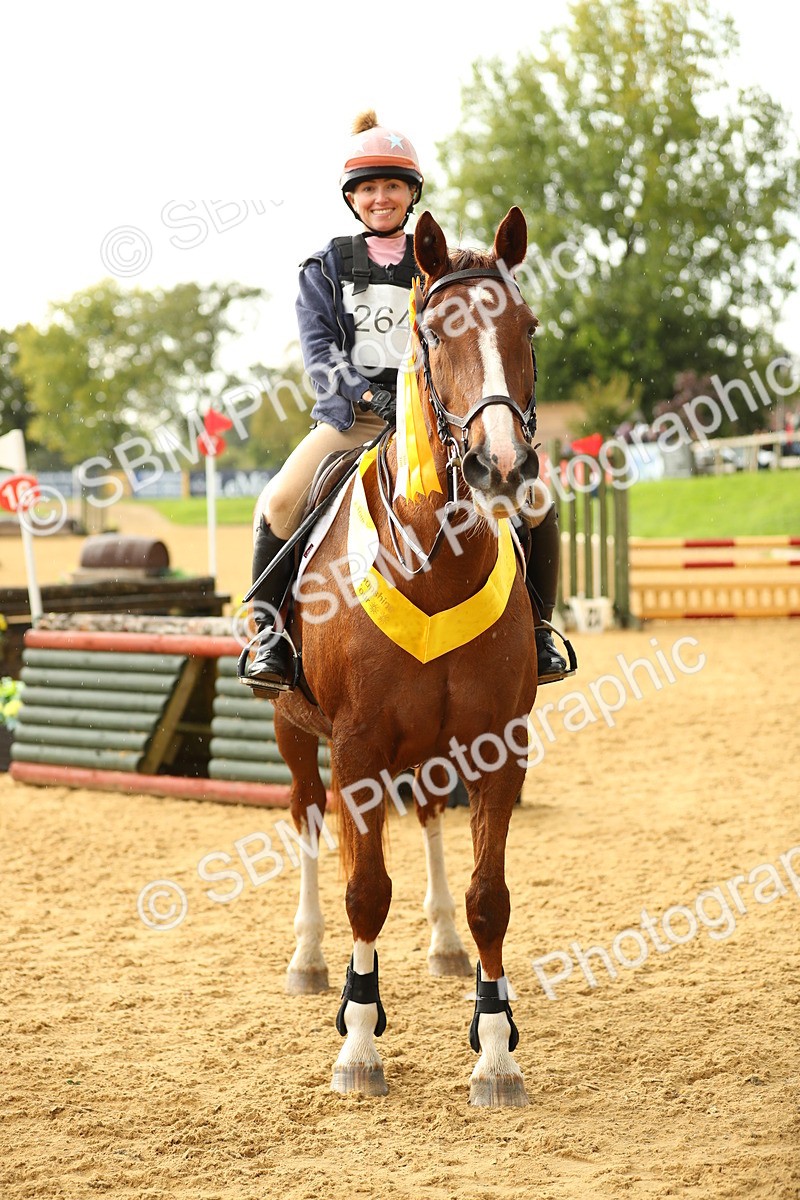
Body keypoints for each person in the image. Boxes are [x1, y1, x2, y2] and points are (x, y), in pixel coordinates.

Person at [240, 110, 569, 694]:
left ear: (412, 193)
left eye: (392, 186)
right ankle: (269, 637)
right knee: (280, 499)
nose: (381, 197)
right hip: (354, 419)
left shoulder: (438, 267)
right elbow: (321, 355)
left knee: (536, 501)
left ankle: (540, 628)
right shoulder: (326, 265)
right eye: (368, 188)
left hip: (438, 423)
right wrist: (373, 396)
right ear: (353, 199)